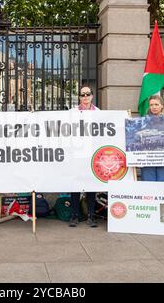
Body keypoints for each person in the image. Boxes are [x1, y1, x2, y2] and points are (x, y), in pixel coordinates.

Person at [69, 86, 98, 228]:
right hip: (77, 154)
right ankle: (74, 215)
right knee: (75, 185)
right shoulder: (72, 113)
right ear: (79, 97)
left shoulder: (99, 113)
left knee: (91, 186)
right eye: (82, 94)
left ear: (92, 96)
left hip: (92, 154)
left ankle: (91, 216)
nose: (85, 96)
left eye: (88, 94)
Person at [140, 95, 164, 182]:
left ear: (162, 106)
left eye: (156, 104)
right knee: (149, 186)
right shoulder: (142, 121)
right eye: (151, 105)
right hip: (147, 158)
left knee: (163, 185)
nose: (154, 107)